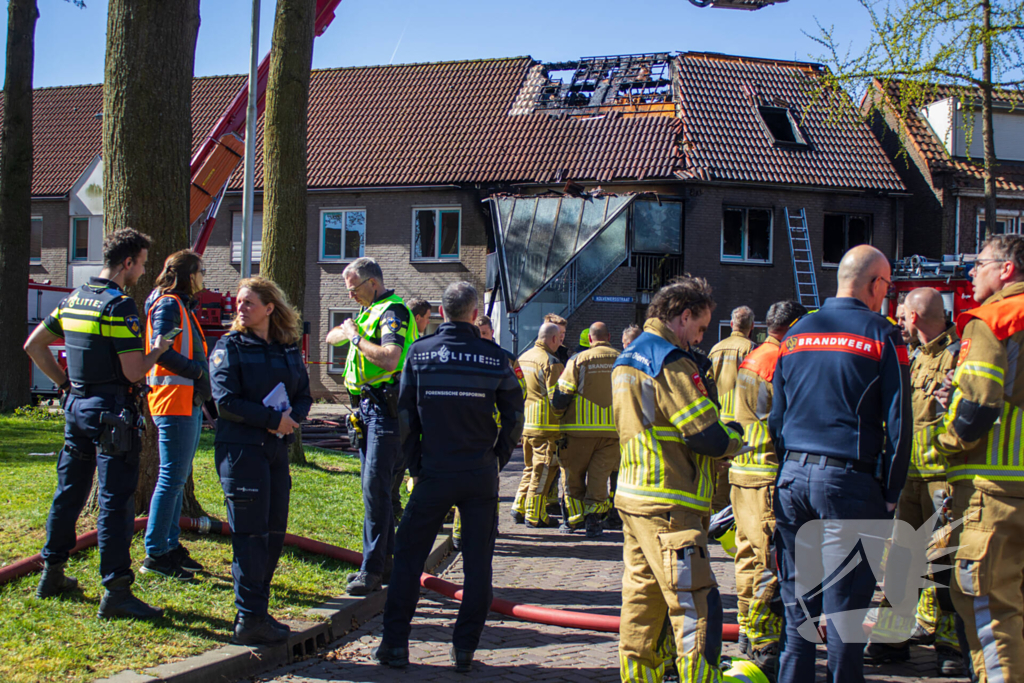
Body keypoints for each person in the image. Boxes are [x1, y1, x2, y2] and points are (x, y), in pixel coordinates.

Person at [769, 245, 912, 683]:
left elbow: (777, 417)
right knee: (844, 616)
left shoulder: (796, 334)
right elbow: (900, 423)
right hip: (848, 483)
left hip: (793, 479)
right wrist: (891, 492)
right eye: (887, 285)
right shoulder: (882, 334)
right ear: (874, 284)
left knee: (799, 615)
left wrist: (788, 468)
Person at [375, 282, 524, 673]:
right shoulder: (495, 358)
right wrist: (498, 457)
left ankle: (394, 646)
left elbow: (405, 415)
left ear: (442, 312)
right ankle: (464, 650)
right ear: (475, 316)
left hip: (434, 470)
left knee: (408, 558)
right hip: (479, 474)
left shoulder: (419, 354)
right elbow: (515, 415)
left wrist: (415, 463)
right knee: (479, 563)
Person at [25, 228, 172, 619]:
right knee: (114, 502)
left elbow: (34, 345)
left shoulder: (74, 299)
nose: (141, 271)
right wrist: (159, 348)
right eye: (141, 264)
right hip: (112, 414)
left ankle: (52, 572)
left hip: (77, 407)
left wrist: (64, 385)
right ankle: (116, 591)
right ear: (127, 263)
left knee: (69, 491)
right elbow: (134, 371)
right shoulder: (119, 307)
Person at [613, 276, 745, 683]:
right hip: (672, 502)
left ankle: (640, 677)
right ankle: (699, 677)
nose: (699, 338)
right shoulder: (669, 361)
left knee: (643, 597)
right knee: (693, 601)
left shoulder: (628, 357)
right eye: (701, 327)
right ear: (682, 316)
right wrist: (736, 436)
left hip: (635, 497)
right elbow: (704, 433)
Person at [934, 235, 1024, 683]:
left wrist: (944, 443)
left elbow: (979, 406)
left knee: (987, 605)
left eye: (979, 264)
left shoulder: (992, 320)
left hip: (996, 492)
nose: (971, 273)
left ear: (1006, 269)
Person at [864, 287, 963, 675]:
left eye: (903, 317)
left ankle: (952, 646)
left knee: (943, 564)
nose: (899, 324)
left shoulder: (959, 355)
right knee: (902, 560)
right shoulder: (919, 356)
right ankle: (892, 639)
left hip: (943, 478)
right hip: (913, 477)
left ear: (916, 318)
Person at [209, 277, 312, 645]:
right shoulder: (229, 347)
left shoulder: (287, 349)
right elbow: (225, 402)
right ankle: (248, 617)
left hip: (275, 450)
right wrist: (272, 420)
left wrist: (292, 419)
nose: (240, 307)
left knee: (272, 533)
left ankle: (258, 612)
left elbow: (303, 393)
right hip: (241, 450)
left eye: (249, 302)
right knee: (250, 535)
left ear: (270, 308)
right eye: (239, 302)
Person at [326, 257, 418, 595]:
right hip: (366, 411)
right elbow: (329, 336)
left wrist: (353, 337)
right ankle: (388, 564)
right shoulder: (368, 313)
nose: (350, 297)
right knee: (376, 490)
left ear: (373, 284)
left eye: (353, 289)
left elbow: (390, 358)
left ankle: (372, 568)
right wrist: (346, 330)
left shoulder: (392, 312)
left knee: (375, 491)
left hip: (384, 410)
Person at [730, 300, 807, 674]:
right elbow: (787, 417)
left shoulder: (755, 355)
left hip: (743, 469)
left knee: (746, 555)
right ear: (793, 325)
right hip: (768, 472)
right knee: (769, 561)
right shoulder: (780, 360)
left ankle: (748, 630)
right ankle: (765, 642)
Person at [140, 249, 212, 580]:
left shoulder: (179, 305)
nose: (203, 277)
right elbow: (161, 349)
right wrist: (197, 372)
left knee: (176, 478)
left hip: (184, 400)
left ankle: (169, 546)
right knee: (171, 478)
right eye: (200, 271)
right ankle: (156, 553)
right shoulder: (169, 304)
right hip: (174, 399)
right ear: (187, 275)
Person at [550, 321, 619, 537]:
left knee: (573, 476)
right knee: (600, 478)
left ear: (590, 339)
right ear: (609, 337)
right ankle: (594, 522)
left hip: (578, 432)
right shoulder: (623, 360)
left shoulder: (578, 359)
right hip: (612, 433)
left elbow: (562, 395)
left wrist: (557, 414)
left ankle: (572, 520)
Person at [513, 322, 564, 527]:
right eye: (559, 338)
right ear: (552, 339)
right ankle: (535, 515)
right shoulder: (551, 362)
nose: (560, 342)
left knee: (529, 468)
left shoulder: (523, 357)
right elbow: (557, 399)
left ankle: (519, 506)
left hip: (526, 424)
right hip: (547, 427)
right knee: (543, 471)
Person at [708, 305, 755, 512]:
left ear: (731, 325)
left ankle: (714, 511)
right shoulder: (751, 349)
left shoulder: (715, 348)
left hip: (717, 416)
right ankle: (725, 513)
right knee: (736, 469)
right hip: (739, 417)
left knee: (718, 467)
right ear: (752, 326)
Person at [390, 300, 431, 525]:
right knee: (399, 459)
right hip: (399, 405)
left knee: (401, 459)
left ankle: (395, 505)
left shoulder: (410, 338)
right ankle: (394, 507)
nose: (428, 322)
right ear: (418, 317)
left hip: (401, 403)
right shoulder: (410, 340)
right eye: (427, 317)